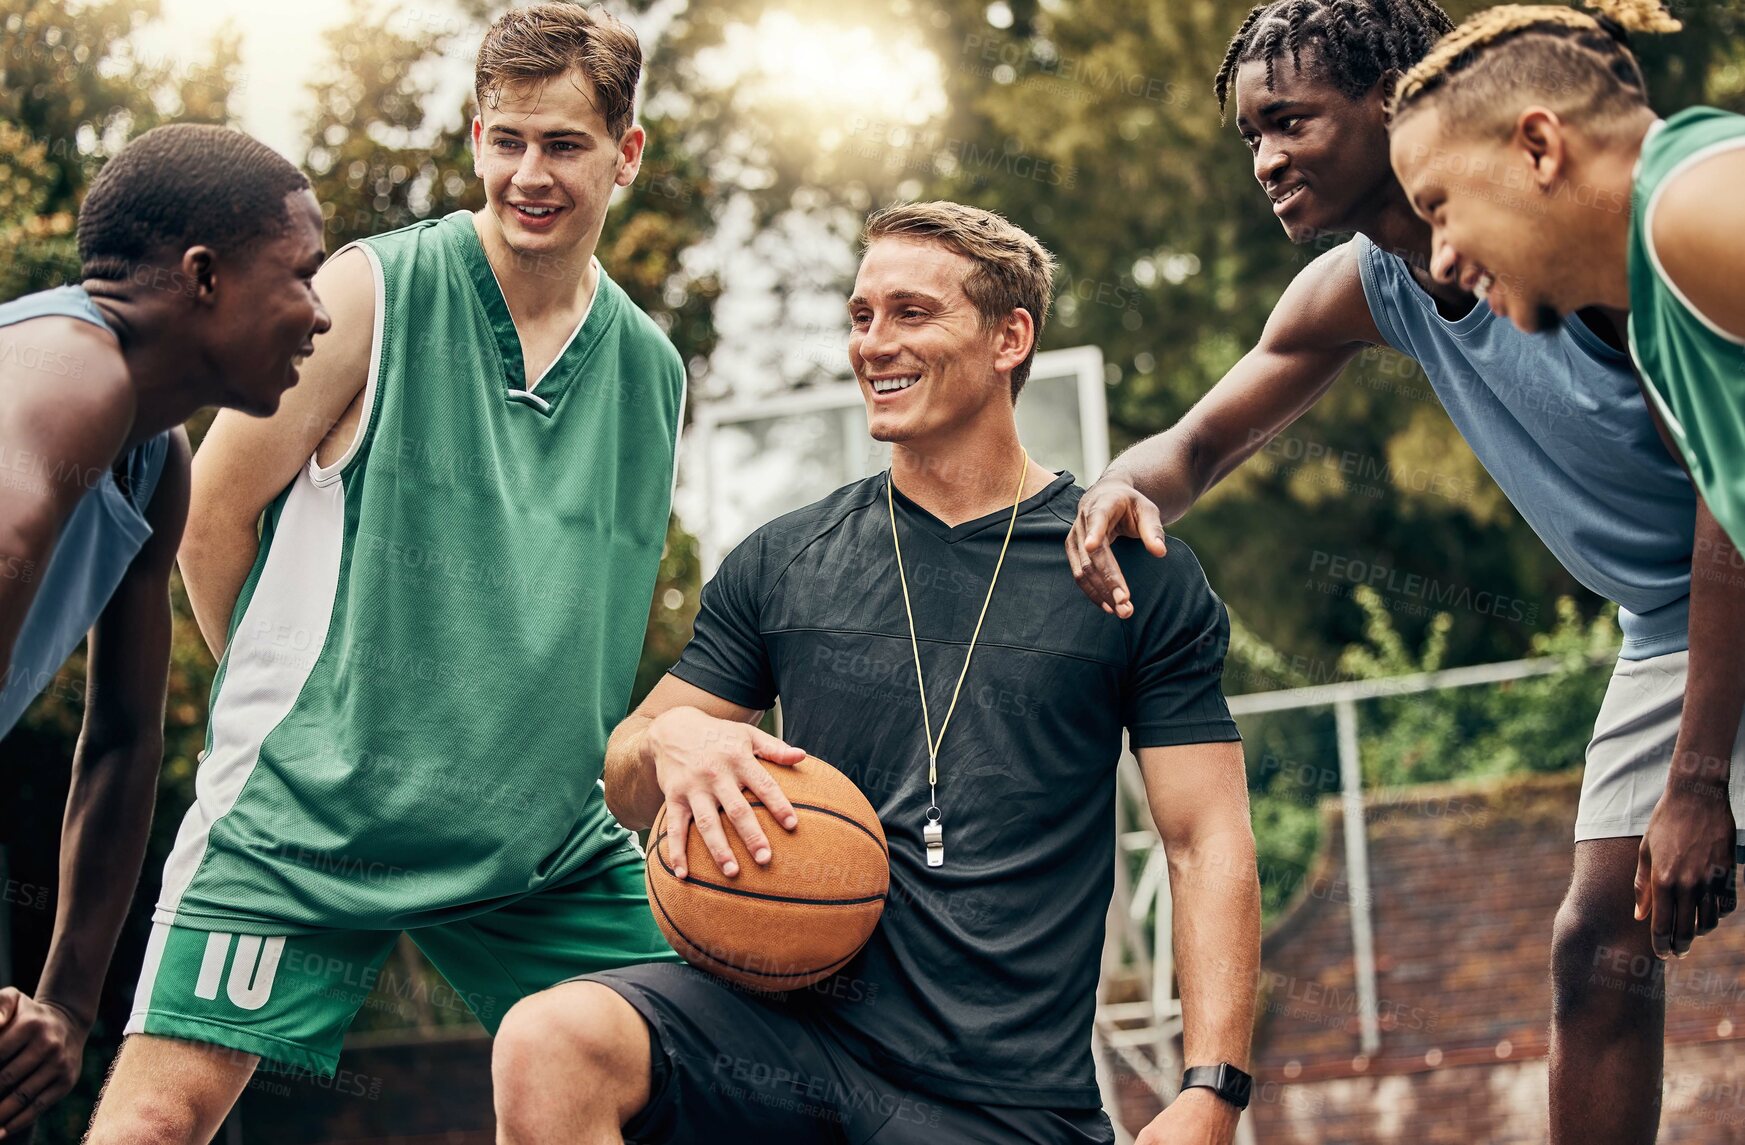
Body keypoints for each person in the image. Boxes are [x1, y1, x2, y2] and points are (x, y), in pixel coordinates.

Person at [1063, 2, 1745, 1142]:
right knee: (1595, 940)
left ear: (1394, 103)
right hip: (1669, 620)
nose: (1265, 157)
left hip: (1718, 583)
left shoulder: (1603, 235)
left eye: (1288, 120)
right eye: (1247, 136)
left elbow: (1728, 499)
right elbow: (1192, 443)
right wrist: (1121, 488)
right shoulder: (1369, 284)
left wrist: (1695, 777)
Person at [487, 201, 1260, 1145]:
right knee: (549, 1040)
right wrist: (674, 738)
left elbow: (1204, 837)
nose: (873, 344)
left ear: (1009, 336)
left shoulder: (1125, 567)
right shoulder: (783, 560)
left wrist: (1210, 1087)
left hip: (1003, 1100)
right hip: (786, 1048)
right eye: (860, 316)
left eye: (910, 313)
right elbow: (624, 773)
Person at [85, 7, 686, 1142]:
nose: (529, 172)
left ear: (626, 151)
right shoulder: (371, 293)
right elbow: (212, 513)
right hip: (315, 809)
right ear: (473, 139)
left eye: (561, 144)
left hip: (537, 839)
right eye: (505, 140)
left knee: (707, 1084)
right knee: (156, 1121)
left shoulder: (650, 371)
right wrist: (310, 712)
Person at [0, 123, 327, 1138]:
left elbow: (124, 739)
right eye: (301, 273)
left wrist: (65, 998)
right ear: (203, 276)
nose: (319, 314)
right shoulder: (68, 367)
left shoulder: (153, 458)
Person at [1387, 3, 1745, 546]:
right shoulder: (1656, 328)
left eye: (1439, 209)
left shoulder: (1692, 204)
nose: (1440, 259)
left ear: (1538, 149)